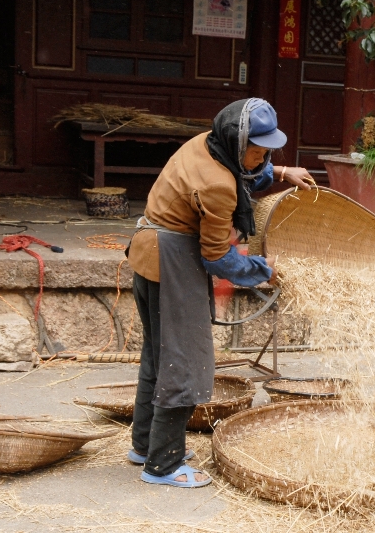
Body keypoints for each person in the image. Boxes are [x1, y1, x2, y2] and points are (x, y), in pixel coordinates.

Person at [125, 98, 314, 488]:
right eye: (257, 151)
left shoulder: (208, 143)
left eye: (268, 152)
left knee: (159, 356)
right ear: (236, 139)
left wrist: (279, 171)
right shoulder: (217, 185)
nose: (261, 158)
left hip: (150, 250)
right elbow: (216, 257)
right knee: (184, 360)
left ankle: (146, 445)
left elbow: (244, 171)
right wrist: (265, 271)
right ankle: (162, 464)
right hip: (171, 261)